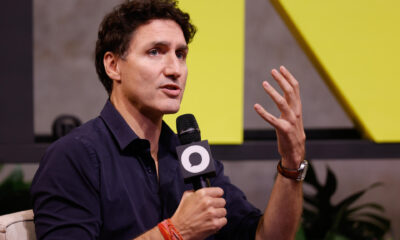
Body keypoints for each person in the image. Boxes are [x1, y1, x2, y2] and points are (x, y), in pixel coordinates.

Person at [31, 0, 306, 239]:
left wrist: (291, 165)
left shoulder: (188, 155)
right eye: (155, 52)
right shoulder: (74, 156)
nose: (175, 69)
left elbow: (264, 236)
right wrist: (176, 232)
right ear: (113, 66)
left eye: (181, 54)